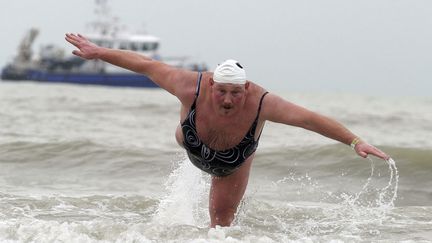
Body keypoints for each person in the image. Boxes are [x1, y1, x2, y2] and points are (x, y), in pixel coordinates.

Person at [65, 33, 390, 227]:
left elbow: (308, 119)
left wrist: (354, 140)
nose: (228, 99)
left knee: (221, 225)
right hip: (191, 142)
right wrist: (99, 53)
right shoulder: (190, 85)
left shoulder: (262, 102)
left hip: (230, 165)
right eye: (221, 91)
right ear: (211, 83)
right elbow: (146, 65)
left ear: (246, 88)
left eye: (236, 93)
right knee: (184, 134)